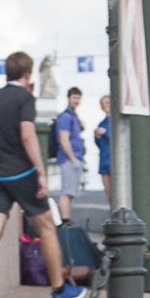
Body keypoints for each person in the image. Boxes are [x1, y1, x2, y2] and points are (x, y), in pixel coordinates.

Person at [0, 52, 85, 298]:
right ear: (28, 74)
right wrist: (40, 172)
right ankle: (59, 290)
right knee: (46, 228)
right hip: (22, 173)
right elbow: (27, 136)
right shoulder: (25, 98)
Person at [53, 87, 84, 223]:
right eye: (74, 97)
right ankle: (65, 220)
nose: (76, 100)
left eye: (78, 98)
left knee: (71, 192)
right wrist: (72, 159)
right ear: (69, 98)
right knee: (67, 191)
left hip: (74, 157)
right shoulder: (66, 117)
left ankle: (67, 218)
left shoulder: (73, 117)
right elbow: (64, 139)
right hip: (69, 159)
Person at [94, 94, 113, 204]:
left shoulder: (116, 121)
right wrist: (96, 137)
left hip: (114, 160)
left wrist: (105, 133)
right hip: (104, 160)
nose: (105, 105)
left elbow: (116, 139)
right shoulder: (101, 123)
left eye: (108, 102)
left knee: (116, 191)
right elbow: (100, 144)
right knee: (108, 191)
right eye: (103, 103)